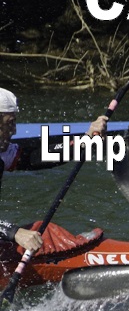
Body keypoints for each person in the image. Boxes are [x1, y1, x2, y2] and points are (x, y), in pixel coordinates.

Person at [1, 87, 106, 252]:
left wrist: (84, 140)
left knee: (44, 231)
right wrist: (14, 232)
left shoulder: (4, 152)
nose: (14, 130)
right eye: (9, 123)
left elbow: (35, 156)